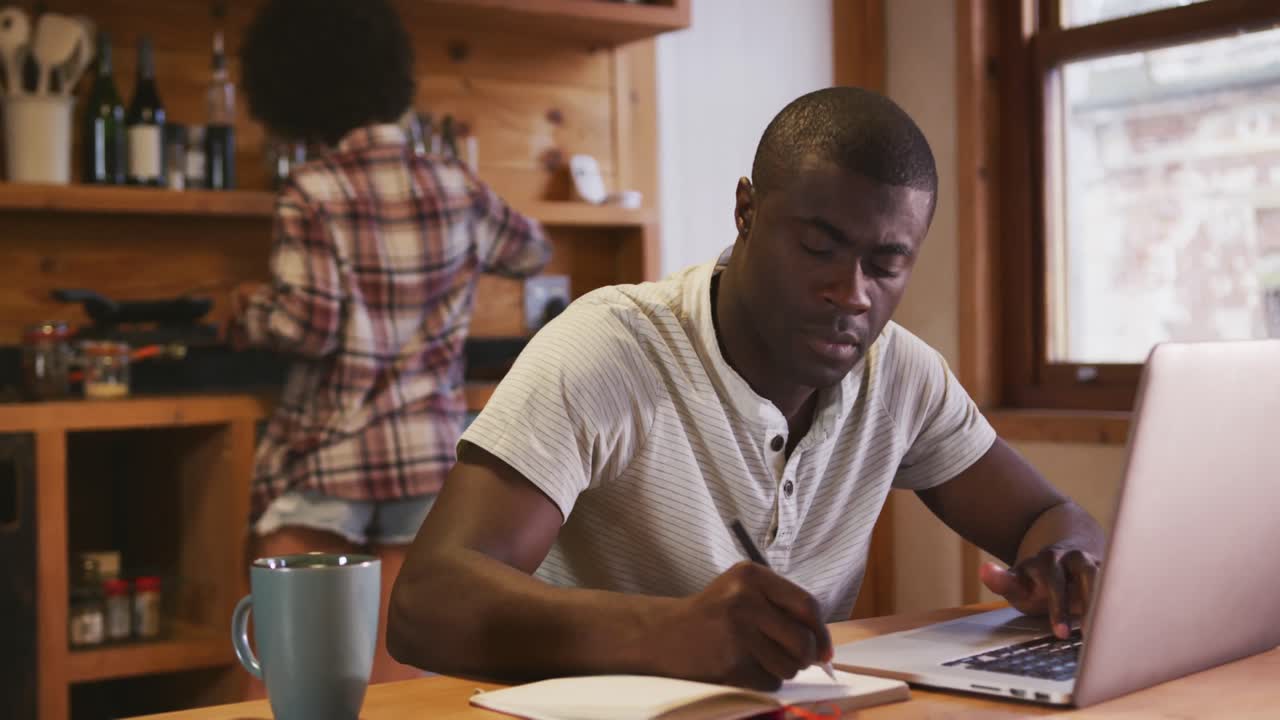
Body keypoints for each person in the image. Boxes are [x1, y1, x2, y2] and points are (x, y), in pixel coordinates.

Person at [387, 87, 1104, 690]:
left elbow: (1051, 517)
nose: (852, 293)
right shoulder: (610, 348)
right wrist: (668, 632)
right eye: (819, 247)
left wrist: (1069, 569)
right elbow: (427, 605)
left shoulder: (900, 375)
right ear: (746, 211)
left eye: (886, 265)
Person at [229, 0, 550, 687]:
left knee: (297, 676)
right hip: (426, 457)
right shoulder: (455, 184)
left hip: (330, 457)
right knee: (400, 675)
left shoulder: (312, 188)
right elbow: (532, 250)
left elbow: (307, 325)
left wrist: (245, 311)